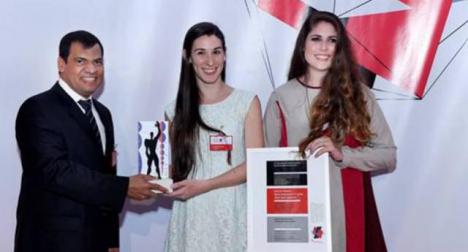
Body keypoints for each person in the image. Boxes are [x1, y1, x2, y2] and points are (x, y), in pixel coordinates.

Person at [14, 30, 167, 252]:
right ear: (61, 64)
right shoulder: (37, 109)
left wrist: (112, 241)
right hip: (51, 243)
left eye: (98, 62)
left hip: (96, 242)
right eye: (80, 61)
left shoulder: (103, 114)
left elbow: (106, 175)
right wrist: (125, 187)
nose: (92, 69)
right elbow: (56, 172)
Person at [263, 11, 397, 252]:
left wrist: (343, 154)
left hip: (347, 213)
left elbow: (388, 155)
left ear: (339, 48)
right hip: (297, 215)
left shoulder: (360, 95)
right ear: (303, 43)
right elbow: (266, 166)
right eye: (316, 38)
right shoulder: (280, 97)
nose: (324, 47)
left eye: (332, 40)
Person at [164, 22, 264, 251]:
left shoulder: (246, 103)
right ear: (187, 57)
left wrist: (207, 185)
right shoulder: (174, 111)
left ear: (225, 55)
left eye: (216, 52)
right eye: (201, 53)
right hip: (191, 216)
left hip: (233, 213)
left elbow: (255, 165)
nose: (210, 62)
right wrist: (157, 180)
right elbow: (172, 170)